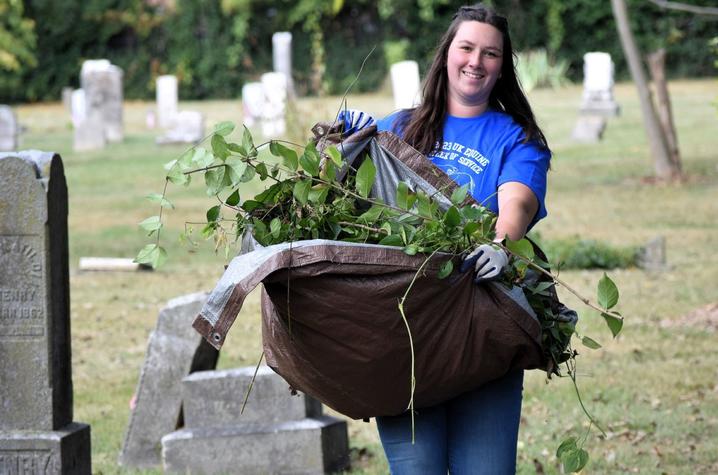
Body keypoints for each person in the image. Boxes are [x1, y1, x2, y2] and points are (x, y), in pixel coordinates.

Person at [342, 3, 551, 473]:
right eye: (467, 47)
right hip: (406, 337)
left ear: (502, 67)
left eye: (491, 53)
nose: (476, 61)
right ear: (446, 55)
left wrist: (501, 242)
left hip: (482, 333)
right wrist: (347, 149)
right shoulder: (397, 128)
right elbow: (354, 208)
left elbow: (517, 202)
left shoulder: (518, 138)